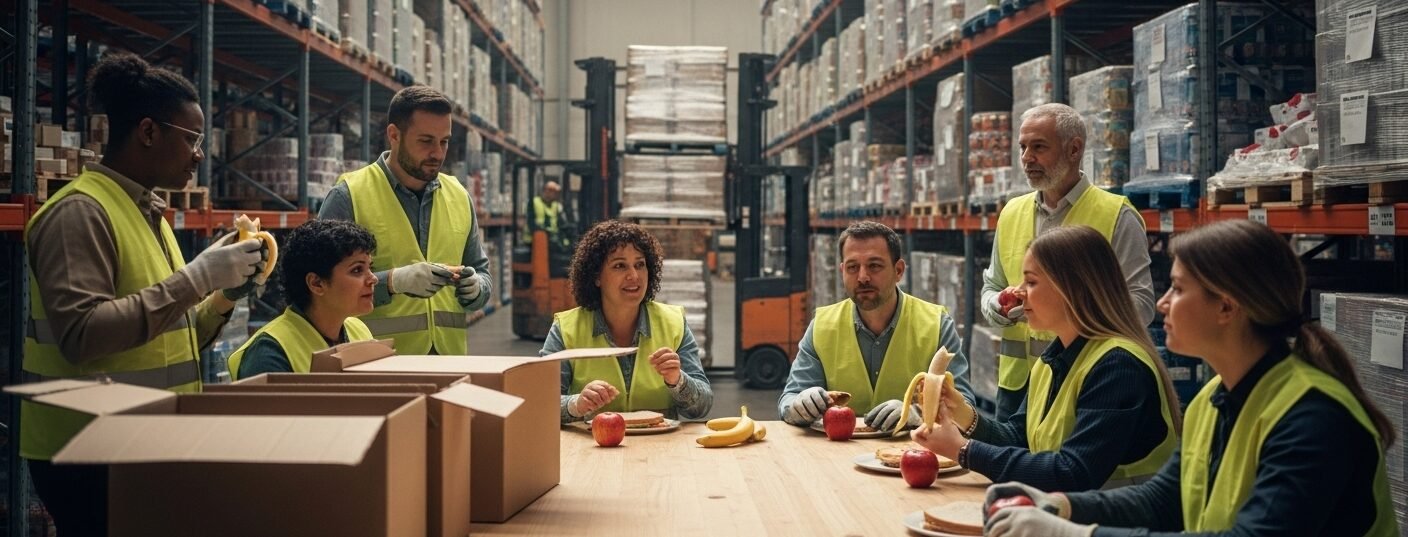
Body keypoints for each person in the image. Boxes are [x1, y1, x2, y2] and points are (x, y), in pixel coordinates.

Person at [982, 220, 1399, 537]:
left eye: (1178, 289)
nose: (1163, 303)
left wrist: (1077, 533)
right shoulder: (1215, 396)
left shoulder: (1312, 418)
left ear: (1227, 307)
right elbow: (1165, 499)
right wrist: (1062, 505)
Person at [22, 52, 265, 535]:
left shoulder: (148, 214)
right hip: (90, 454)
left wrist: (223, 293)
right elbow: (82, 334)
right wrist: (197, 277)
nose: (199, 154)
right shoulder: (80, 214)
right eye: (191, 139)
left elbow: (171, 337)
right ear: (149, 132)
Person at [913, 225, 1180, 493]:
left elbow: (1072, 473)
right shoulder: (1052, 360)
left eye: (1031, 282)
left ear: (1072, 288)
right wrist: (962, 413)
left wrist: (962, 450)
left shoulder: (1119, 367)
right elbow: (1019, 439)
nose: (1017, 292)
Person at [984, 103, 1156, 421]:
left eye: (1039, 147)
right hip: (1018, 386)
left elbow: (1141, 306)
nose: (1027, 158)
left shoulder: (1117, 215)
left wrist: (1069, 311)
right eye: (1023, 147)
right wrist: (997, 305)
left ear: (1074, 149)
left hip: (1086, 380)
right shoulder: (1010, 213)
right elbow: (991, 287)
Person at [320, 85, 492, 355]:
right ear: (394, 135)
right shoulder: (349, 196)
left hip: (449, 364)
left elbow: (481, 271)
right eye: (426, 141)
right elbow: (323, 288)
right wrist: (393, 282)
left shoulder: (459, 196)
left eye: (444, 141)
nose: (437, 153)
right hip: (377, 365)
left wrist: (477, 288)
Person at [778, 221, 973, 432]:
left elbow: (964, 408)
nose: (862, 277)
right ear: (842, 271)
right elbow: (789, 399)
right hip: (836, 448)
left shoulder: (937, 325)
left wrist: (917, 413)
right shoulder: (822, 326)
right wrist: (798, 405)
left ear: (898, 270)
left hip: (911, 448)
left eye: (874, 266)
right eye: (852, 267)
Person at [543, 220, 713, 423]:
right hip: (593, 443)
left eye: (640, 265)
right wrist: (575, 404)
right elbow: (540, 403)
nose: (634, 275)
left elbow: (702, 406)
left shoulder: (673, 323)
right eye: (619, 266)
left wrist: (678, 380)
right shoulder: (566, 329)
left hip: (660, 443)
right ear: (596, 277)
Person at [227, 220, 379, 379]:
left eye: (370, 268)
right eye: (357, 270)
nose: (373, 279)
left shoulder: (358, 330)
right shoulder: (268, 354)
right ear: (316, 283)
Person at [525, 179, 568, 247]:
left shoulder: (556, 205)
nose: (557, 195)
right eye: (555, 192)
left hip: (552, 240)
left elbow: (561, 224)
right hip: (535, 240)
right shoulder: (534, 202)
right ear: (547, 191)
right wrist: (547, 232)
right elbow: (531, 222)